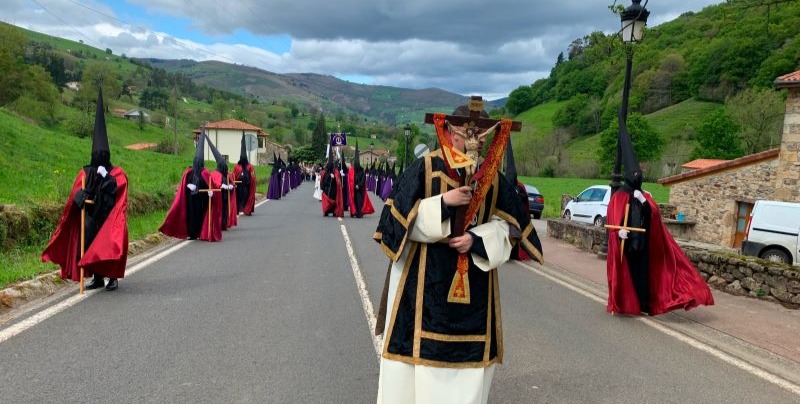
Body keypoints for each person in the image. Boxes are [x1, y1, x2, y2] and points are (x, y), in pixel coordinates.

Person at [373, 103, 543, 404]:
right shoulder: (425, 168)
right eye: (466, 134)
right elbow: (392, 225)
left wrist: (476, 241)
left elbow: (511, 229)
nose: (472, 141)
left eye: (479, 135)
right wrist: (442, 203)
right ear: (449, 132)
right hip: (420, 291)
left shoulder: (491, 177)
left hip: (474, 297)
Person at [606, 123, 714, 316]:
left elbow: (654, 217)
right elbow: (612, 221)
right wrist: (617, 233)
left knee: (644, 277)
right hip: (628, 244)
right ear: (628, 177)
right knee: (627, 276)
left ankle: (645, 304)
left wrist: (645, 204)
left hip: (644, 245)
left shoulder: (644, 196)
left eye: (639, 175)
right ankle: (625, 303)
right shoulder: (618, 197)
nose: (637, 177)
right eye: (634, 175)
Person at [42, 87, 128, 291]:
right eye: (97, 153)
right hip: (90, 217)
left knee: (109, 244)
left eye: (102, 153)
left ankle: (112, 277)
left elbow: (120, 189)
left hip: (109, 216)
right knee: (89, 243)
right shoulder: (85, 172)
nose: (100, 156)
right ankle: (97, 277)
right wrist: (80, 196)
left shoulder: (116, 172)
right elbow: (76, 194)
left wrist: (106, 178)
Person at [159, 131, 211, 240]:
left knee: (200, 215)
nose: (197, 163)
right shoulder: (188, 172)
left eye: (199, 161)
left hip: (202, 200)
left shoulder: (206, 173)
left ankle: (201, 232)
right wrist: (188, 186)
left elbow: (211, 185)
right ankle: (192, 233)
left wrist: (210, 192)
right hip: (190, 199)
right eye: (196, 161)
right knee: (191, 216)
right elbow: (183, 185)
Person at [348, 141, 375, 218]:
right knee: (354, 201)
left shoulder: (362, 172)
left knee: (359, 201)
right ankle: (354, 212)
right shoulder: (352, 172)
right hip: (354, 189)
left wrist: (359, 185)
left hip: (360, 189)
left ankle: (360, 213)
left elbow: (363, 180)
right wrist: (353, 185)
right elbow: (350, 180)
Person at [234, 134, 256, 215]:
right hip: (238, 187)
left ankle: (247, 209)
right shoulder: (236, 166)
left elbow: (253, 177)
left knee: (246, 197)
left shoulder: (250, 167)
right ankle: (238, 209)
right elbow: (233, 176)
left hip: (247, 186)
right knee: (238, 198)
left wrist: (251, 183)